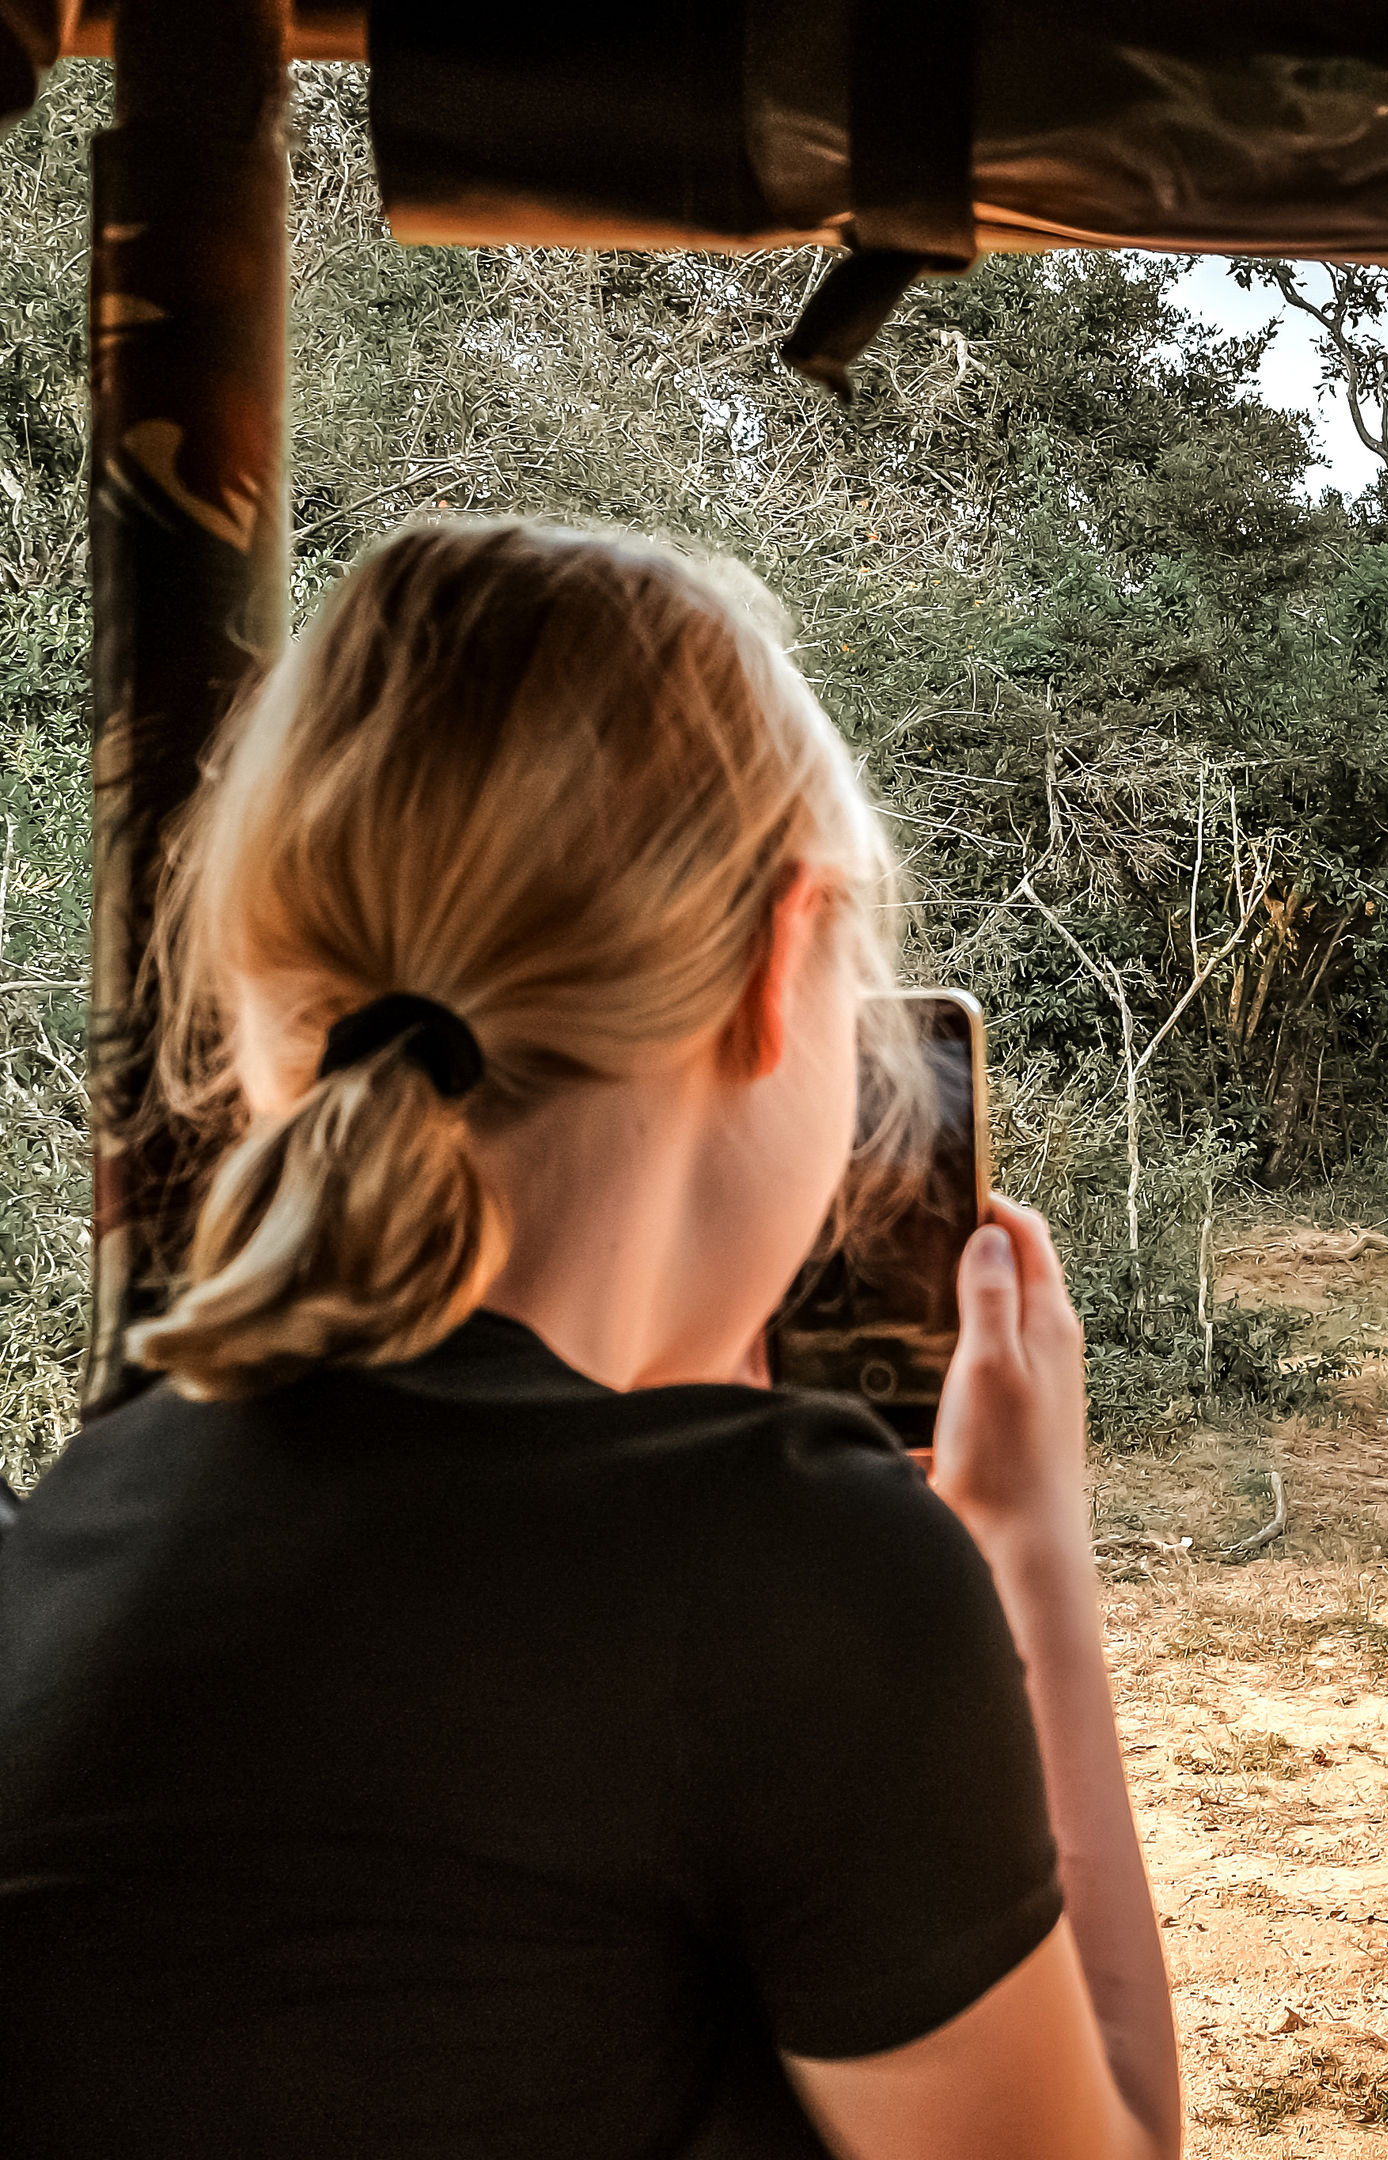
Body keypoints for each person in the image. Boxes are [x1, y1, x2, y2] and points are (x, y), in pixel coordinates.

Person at [0, 520, 1183, 2159]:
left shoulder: (77, 1520)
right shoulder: (789, 1569)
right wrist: (1026, 1552)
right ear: (783, 968)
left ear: (280, 1016)